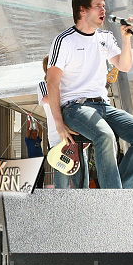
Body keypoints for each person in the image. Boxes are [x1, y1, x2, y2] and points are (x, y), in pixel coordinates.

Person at [46, 0, 133, 189]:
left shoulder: (105, 37)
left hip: (104, 106)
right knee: (105, 136)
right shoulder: (64, 40)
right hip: (75, 107)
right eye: (98, 6)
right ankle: (113, 195)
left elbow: (124, 66)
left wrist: (126, 38)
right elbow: (52, 83)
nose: (103, 10)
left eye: (104, 6)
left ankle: (118, 192)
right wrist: (58, 123)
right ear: (82, 10)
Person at [39, 54, 87, 189]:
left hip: (76, 138)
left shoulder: (72, 85)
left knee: (83, 185)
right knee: (61, 186)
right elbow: (49, 99)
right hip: (57, 139)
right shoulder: (43, 85)